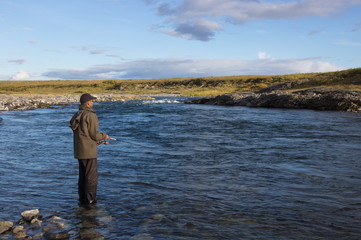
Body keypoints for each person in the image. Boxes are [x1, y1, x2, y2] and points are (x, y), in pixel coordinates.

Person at [70, 93, 110, 205]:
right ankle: (90, 202)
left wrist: (96, 141)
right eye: (92, 101)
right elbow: (94, 134)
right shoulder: (90, 115)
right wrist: (104, 136)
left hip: (79, 150)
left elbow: (84, 134)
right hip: (89, 152)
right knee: (91, 177)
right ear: (87, 103)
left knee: (83, 176)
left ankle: (82, 200)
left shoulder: (77, 114)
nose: (93, 103)